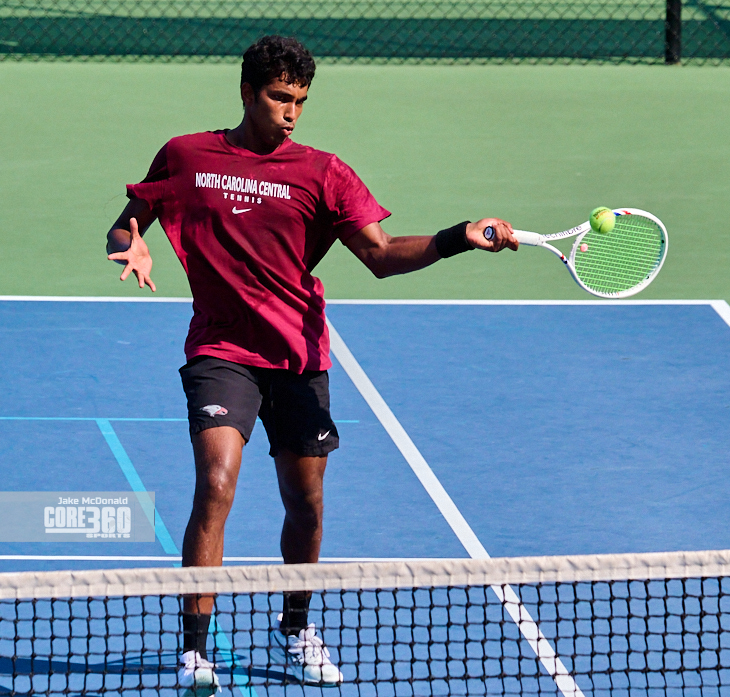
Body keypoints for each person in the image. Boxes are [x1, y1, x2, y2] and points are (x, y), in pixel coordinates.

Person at [106, 34, 518, 690]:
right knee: (216, 482)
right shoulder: (186, 156)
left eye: (300, 100)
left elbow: (380, 255)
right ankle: (195, 649)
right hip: (221, 350)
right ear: (247, 92)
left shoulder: (324, 173)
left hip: (297, 356)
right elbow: (129, 219)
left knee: (306, 503)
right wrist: (131, 243)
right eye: (279, 97)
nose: (291, 112)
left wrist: (457, 238)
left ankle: (295, 626)